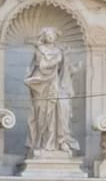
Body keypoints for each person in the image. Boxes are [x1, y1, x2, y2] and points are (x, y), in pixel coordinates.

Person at [24, 27, 79, 155]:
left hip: (55, 85)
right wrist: (57, 60)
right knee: (42, 115)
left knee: (60, 113)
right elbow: (42, 66)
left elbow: (64, 70)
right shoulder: (40, 50)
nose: (50, 36)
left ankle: (59, 142)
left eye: (52, 34)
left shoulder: (59, 51)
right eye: (47, 34)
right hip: (42, 86)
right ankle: (42, 143)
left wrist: (68, 61)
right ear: (43, 37)